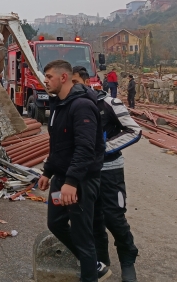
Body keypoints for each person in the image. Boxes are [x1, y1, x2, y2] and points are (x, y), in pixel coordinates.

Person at [37, 60, 106, 282]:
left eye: (49, 76)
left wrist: (72, 182)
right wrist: (48, 172)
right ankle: (93, 264)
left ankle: (90, 272)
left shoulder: (82, 106)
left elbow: (85, 149)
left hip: (81, 182)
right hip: (62, 179)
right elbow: (57, 144)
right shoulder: (59, 104)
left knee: (82, 234)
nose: (45, 81)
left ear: (63, 77)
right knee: (55, 223)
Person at [72, 66, 141, 282]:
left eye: (74, 82)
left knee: (114, 217)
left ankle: (128, 259)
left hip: (110, 170)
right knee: (91, 220)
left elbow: (134, 131)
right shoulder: (68, 106)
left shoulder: (108, 103)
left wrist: (101, 149)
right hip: (83, 173)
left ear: (85, 80)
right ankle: (100, 263)